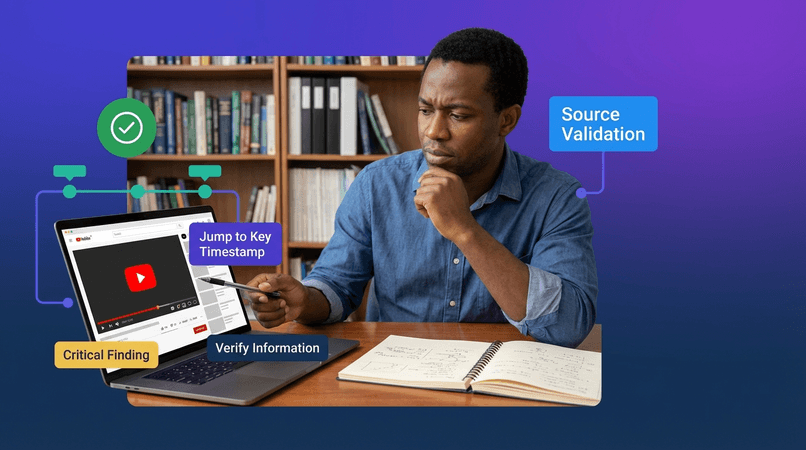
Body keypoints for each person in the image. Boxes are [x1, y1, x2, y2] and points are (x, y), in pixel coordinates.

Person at [247, 28, 597, 348]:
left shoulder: (556, 197)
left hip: (500, 382)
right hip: (394, 375)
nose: (433, 131)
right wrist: (303, 301)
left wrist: (465, 230)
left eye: (458, 115)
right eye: (425, 110)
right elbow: (337, 286)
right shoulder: (376, 184)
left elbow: (568, 326)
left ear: (506, 119)